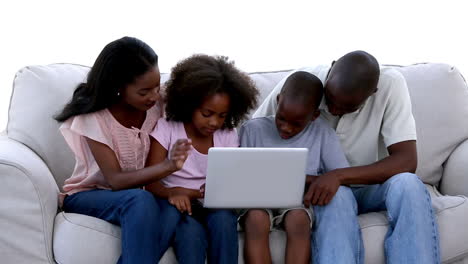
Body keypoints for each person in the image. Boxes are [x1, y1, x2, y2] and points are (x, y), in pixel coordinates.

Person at [253, 51, 441, 264]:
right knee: (337, 195)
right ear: (331, 69)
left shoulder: (391, 85)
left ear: (373, 93)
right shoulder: (301, 84)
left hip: (371, 187)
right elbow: (254, 134)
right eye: (331, 101)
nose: (334, 111)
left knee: (409, 184)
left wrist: (339, 176)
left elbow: (407, 161)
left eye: (348, 108)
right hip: (323, 190)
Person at [55, 36, 190, 264]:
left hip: (138, 198)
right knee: (140, 200)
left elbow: (199, 95)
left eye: (157, 86)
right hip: (89, 194)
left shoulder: (157, 105)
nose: (154, 96)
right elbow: (116, 180)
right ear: (118, 87)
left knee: (172, 209)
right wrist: (167, 166)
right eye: (144, 91)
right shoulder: (94, 117)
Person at [144, 54, 259, 264]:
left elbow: (231, 182)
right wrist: (173, 193)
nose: (214, 122)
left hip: (213, 206)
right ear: (189, 105)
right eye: (207, 114)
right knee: (190, 236)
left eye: (222, 115)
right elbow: (150, 182)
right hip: (180, 207)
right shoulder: (167, 128)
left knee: (225, 221)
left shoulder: (227, 135)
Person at [239, 71, 349, 264]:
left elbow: (340, 176)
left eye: (296, 124)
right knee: (256, 219)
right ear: (278, 100)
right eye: (281, 118)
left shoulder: (323, 133)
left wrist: (301, 179)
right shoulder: (252, 130)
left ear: (314, 115)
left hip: (296, 201)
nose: (286, 128)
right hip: (257, 200)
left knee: (299, 220)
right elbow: (239, 173)